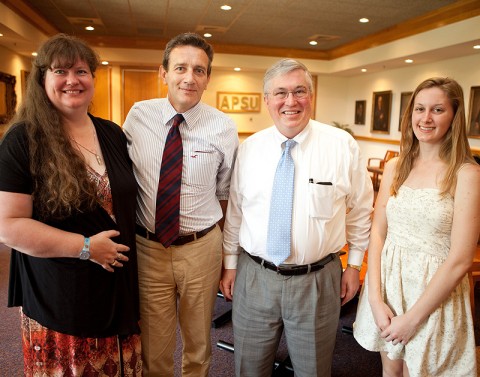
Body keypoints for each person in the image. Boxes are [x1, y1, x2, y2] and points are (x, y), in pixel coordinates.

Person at [220, 58, 374, 377]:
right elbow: (235, 212)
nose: (290, 102)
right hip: (254, 277)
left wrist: (355, 264)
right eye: (280, 93)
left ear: (311, 96)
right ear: (267, 101)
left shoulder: (341, 146)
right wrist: (230, 265)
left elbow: (361, 210)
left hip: (317, 281)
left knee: (313, 370)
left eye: (299, 91)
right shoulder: (249, 149)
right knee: (249, 368)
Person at [0, 34, 141, 376]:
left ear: (93, 78)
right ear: (42, 78)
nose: (72, 80)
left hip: (117, 289)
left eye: (81, 70)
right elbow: (10, 225)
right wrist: (87, 247)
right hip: (59, 292)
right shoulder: (22, 140)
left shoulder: (112, 133)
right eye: (60, 70)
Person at [123, 32, 238, 376]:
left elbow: (227, 193)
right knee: (154, 344)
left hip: (200, 248)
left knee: (198, 343)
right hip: (148, 248)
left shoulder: (223, 127)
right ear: (164, 73)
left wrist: (226, 255)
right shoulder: (138, 116)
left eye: (199, 71)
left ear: (207, 79)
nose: (189, 77)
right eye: (181, 68)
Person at [354, 77, 480, 376]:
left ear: (454, 117)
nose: (425, 118)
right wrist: (374, 297)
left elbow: (462, 258)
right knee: (391, 371)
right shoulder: (397, 166)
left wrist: (413, 319)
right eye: (419, 109)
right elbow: (378, 231)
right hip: (389, 285)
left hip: (433, 294)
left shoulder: (466, 173)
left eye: (437, 110)